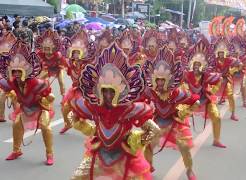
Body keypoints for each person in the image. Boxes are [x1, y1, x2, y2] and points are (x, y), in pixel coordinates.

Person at [70, 42, 160, 179]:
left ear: (119, 91)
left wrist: (135, 139)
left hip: (125, 153)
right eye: (104, 91)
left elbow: (154, 130)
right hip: (99, 152)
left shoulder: (130, 109)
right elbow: (73, 115)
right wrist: (91, 130)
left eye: (111, 92)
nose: (107, 95)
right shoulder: (93, 106)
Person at [142, 47, 200, 180]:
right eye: (158, 80)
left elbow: (194, 99)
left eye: (163, 80)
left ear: (168, 79)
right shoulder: (151, 91)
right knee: (148, 144)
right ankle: (148, 167)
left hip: (174, 123)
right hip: (157, 122)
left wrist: (184, 111)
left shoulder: (176, 93)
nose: (160, 83)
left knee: (184, 146)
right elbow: (139, 100)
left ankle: (189, 171)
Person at [0, 40, 55, 165]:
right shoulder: (12, 82)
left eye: (19, 71)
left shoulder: (36, 83)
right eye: (15, 72)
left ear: (26, 71)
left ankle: (49, 153)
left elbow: (49, 94)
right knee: (16, 125)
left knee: (46, 127)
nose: (17, 74)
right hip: (25, 108)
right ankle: (16, 150)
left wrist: (48, 97)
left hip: (40, 108)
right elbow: (2, 82)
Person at [183, 37, 226, 148]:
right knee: (179, 116)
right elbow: (179, 83)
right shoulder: (187, 75)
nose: (196, 67)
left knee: (217, 116)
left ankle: (216, 140)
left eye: (199, 65)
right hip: (190, 100)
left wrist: (213, 91)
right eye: (195, 64)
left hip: (205, 99)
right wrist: (186, 91)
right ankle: (182, 139)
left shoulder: (206, 75)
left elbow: (219, 79)